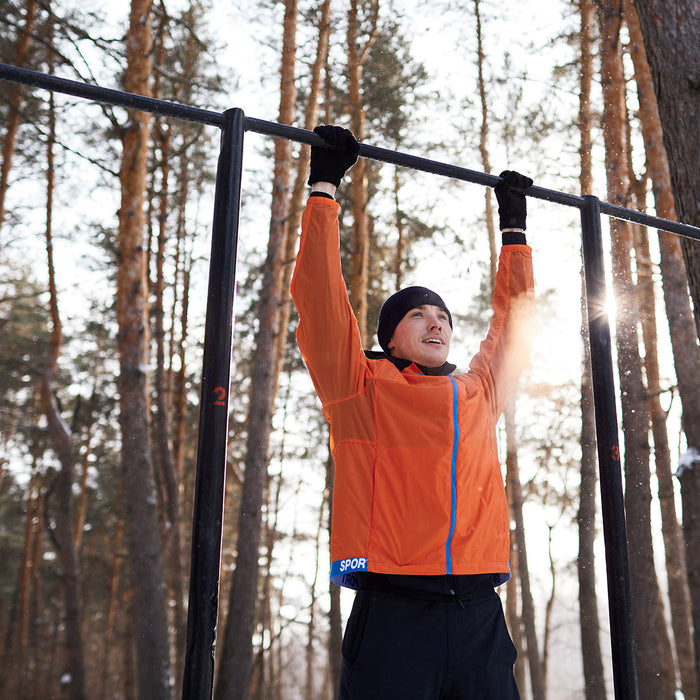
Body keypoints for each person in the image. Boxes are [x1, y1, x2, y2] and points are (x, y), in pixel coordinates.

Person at [290, 125, 535, 699]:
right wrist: (324, 187)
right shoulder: (360, 390)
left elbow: (516, 322)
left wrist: (515, 231)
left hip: (479, 613)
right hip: (394, 612)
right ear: (390, 340)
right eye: (418, 315)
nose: (436, 323)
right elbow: (322, 302)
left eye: (443, 316)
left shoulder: (479, 392)